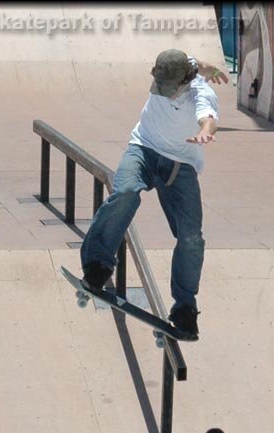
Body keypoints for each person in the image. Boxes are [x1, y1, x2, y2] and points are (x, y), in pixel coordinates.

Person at [81, 49, 228, 340]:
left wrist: (206, 132)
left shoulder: (201, 93)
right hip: (143, 149)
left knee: (191, 236)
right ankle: (97, 262)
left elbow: (208, 117)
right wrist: (208, 65)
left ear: (185, 82)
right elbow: (196, 63)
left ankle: (185, 308)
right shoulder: (179, 66)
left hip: (180, 165)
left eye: (170, 90)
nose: (166, 94)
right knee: (124, 193)